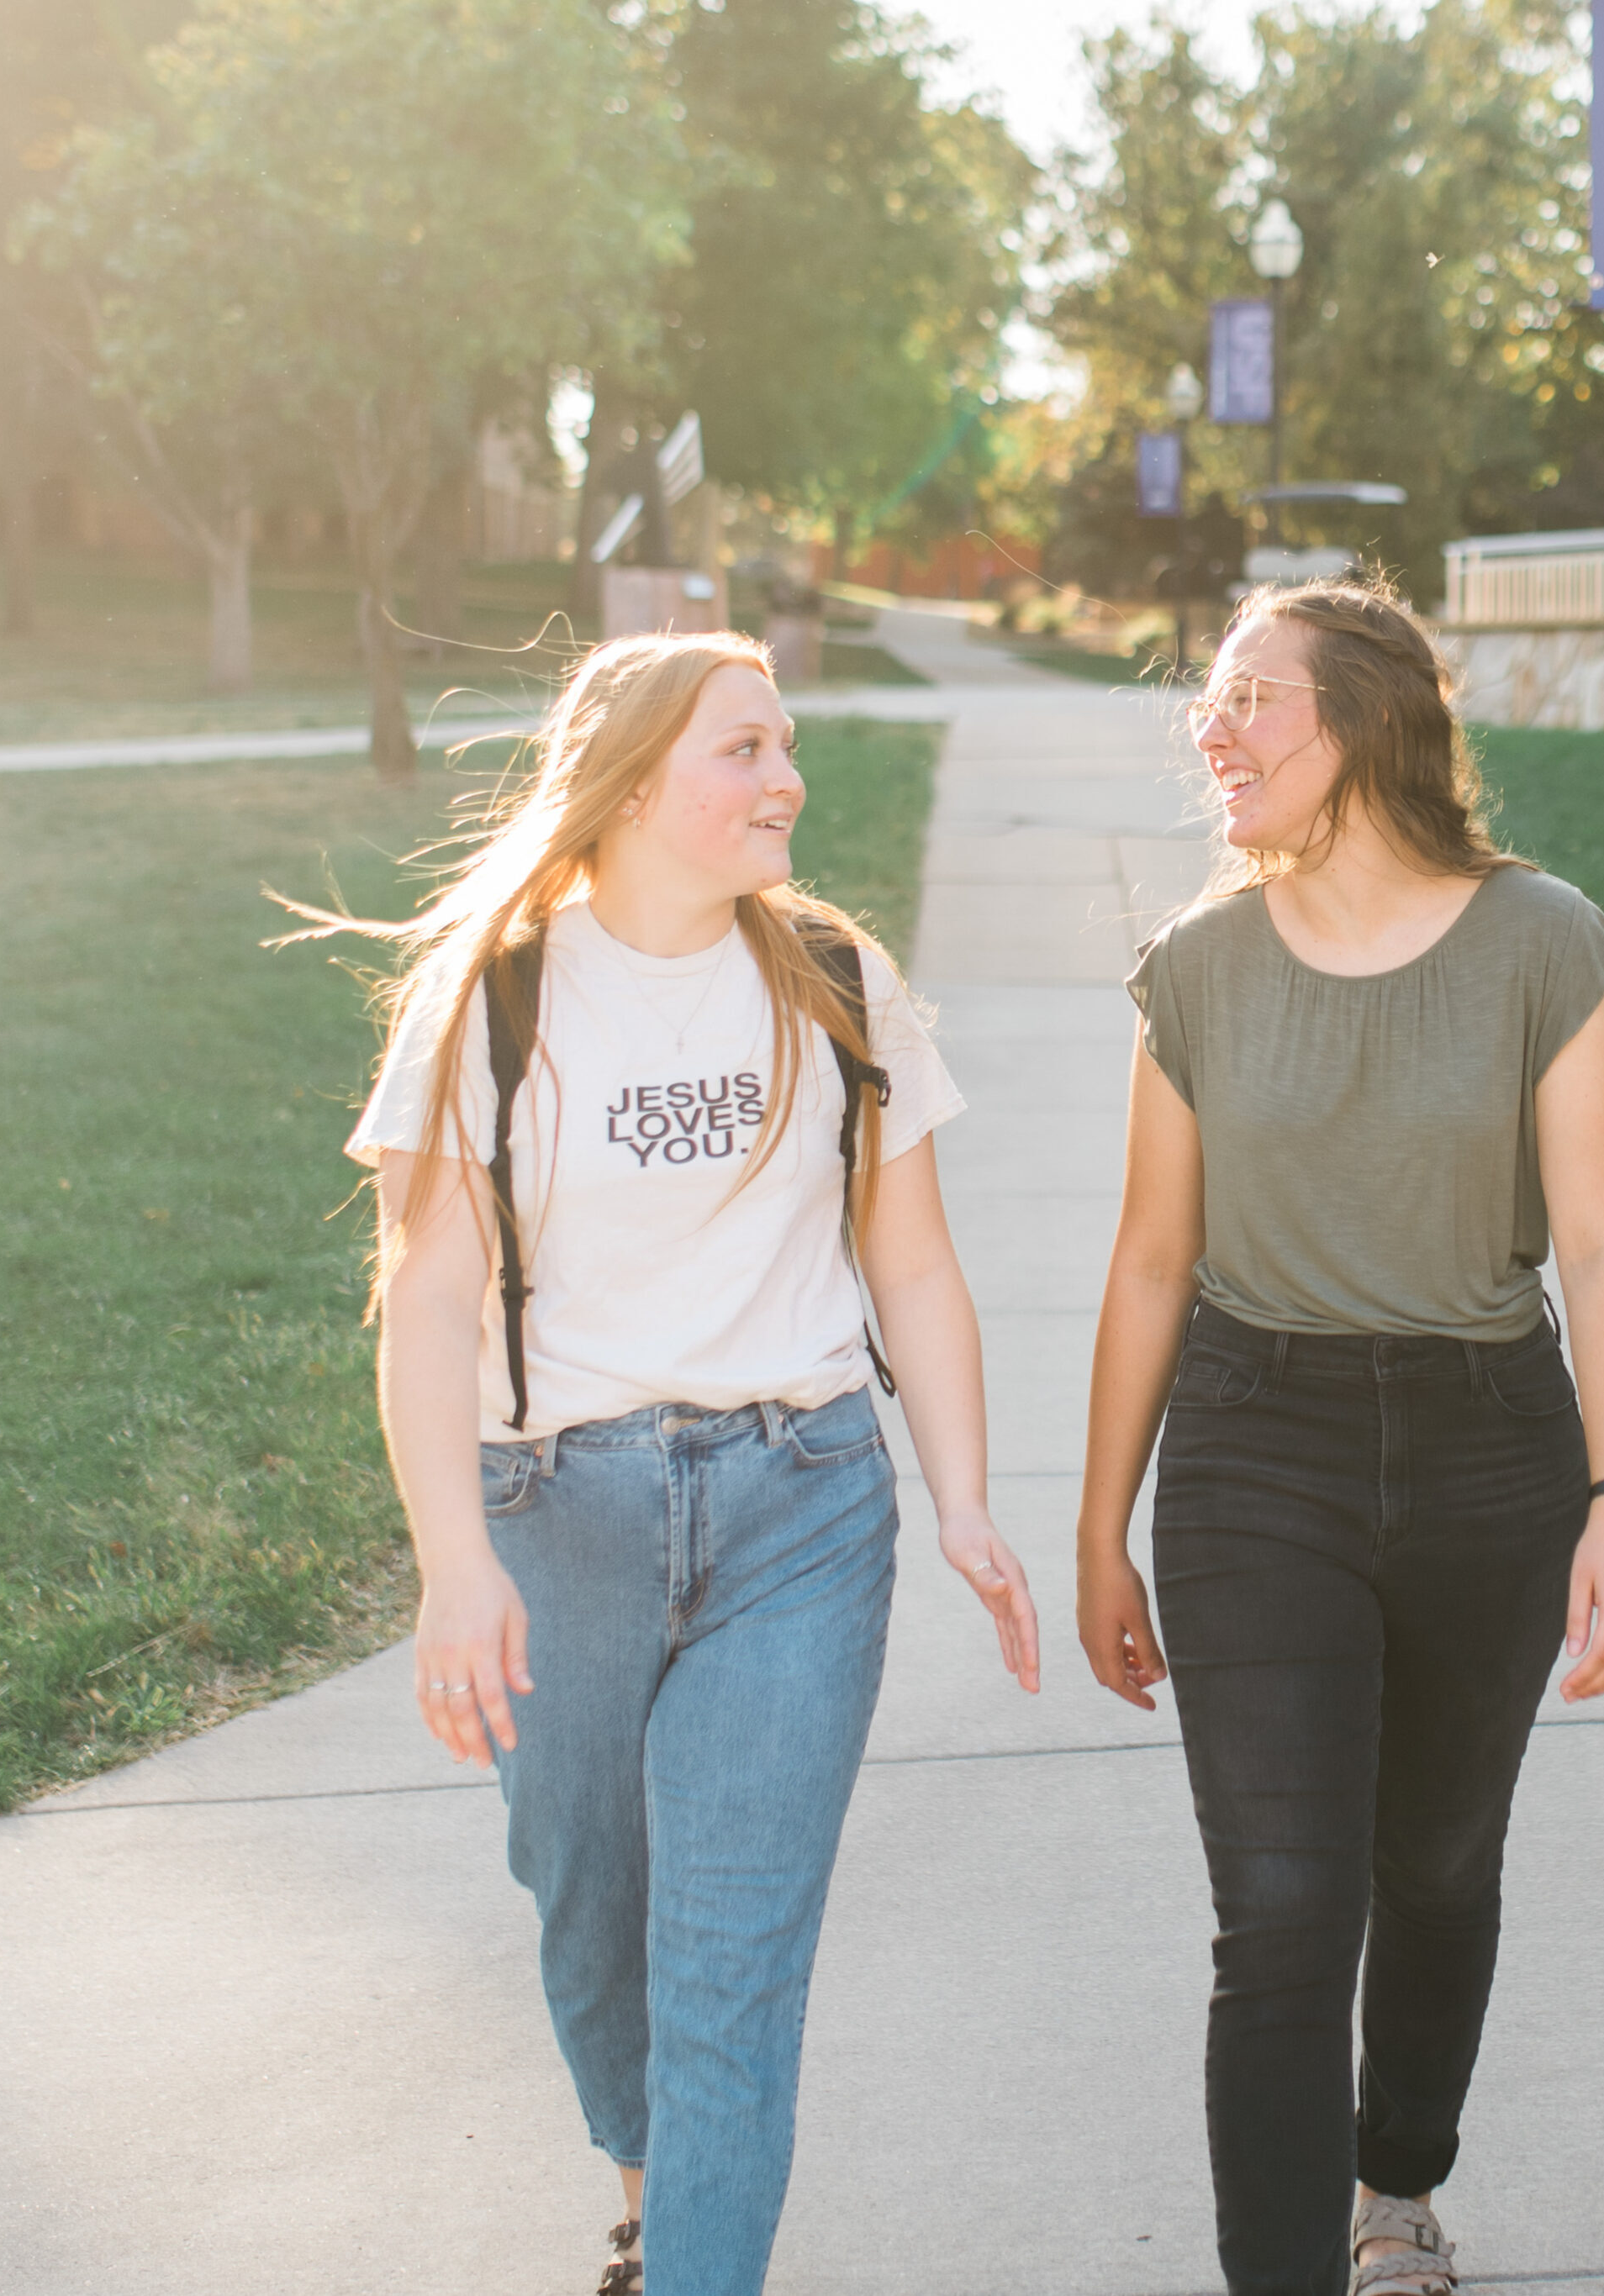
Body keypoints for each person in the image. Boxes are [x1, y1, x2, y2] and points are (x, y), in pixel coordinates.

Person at [324, 632, 1037, 2296]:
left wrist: (962, 1501)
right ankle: (654, 2189)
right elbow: (423, 1304)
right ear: (639, 775)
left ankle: (696, 2261)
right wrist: (452, 1567)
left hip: (801, 1509)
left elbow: (913, 1265)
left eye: (785, 745)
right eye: (744, 748)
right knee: (587, 1907)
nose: (785, 776)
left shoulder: (835, 980)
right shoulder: (494, 996)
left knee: (731, 1966)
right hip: (554, 1513)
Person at [1075, 578, 1604, 2296]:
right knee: (1277, 1919)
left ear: (1365, 727)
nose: (1216, 728)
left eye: (1253, 699)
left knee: (1437, 1866)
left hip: (1492, 1448)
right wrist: (1101, 1523)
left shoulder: (1541, 937)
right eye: (1214, 699)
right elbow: (1150, 1260)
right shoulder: (1193, 965)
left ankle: (1393, 2181)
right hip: (1259, 1445)